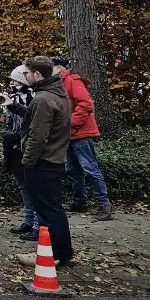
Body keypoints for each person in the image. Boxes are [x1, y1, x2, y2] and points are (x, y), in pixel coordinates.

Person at [15, 56, 75, 268]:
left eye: (27, 73)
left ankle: (54, 253)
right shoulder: (57, 94)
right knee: (54, 207)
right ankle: (62, 251)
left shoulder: (43, 99)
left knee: (47, 209)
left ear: (37, 74)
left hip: (44, 161)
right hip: (55, 159)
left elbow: (38, 135)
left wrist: (27, 161)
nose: (26, 76)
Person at [52, 55, 113, 220]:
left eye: (52, 67)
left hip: (80, 133)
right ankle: (79, 201)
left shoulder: (72, 81)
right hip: (69, 134)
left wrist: (71, 124)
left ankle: (103, 204)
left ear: (60, 68)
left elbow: (86, 104)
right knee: (72, 169)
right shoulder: (59, 84)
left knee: (90, 169)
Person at [0, 65, 39, 240]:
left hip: (27, 145)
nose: (12, 84)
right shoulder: (14, 97)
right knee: (23, 186)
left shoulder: (35, 97)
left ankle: (38, 225)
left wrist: (14, 105)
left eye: (16, 81)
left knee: (33, 186)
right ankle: (28, 221)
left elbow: (31, 118)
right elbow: (7, 120)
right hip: (13, 145)